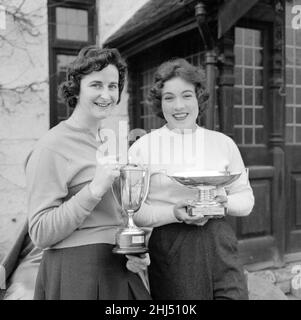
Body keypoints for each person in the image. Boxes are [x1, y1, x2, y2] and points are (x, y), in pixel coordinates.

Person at [25, 46, 151, 300]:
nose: (106, 94)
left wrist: (134, 251)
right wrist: (93, 190)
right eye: (96, 85)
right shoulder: (52, 146)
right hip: (77, 273)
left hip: (118, 270)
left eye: (113, 86)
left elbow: (121, 216)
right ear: (76, 88)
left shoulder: (112, 143)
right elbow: (40, 232)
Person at [129, 58, 254, 300]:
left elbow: (246, 199)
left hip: (219, 240)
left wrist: (224, 201)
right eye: (169, 98)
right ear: (159, 102)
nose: (179, 106)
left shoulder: (223, 143)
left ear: (199, 98)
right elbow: (134, 211)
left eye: (187, 95)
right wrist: (173, 213)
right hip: (171, 246)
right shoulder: (143, 148)